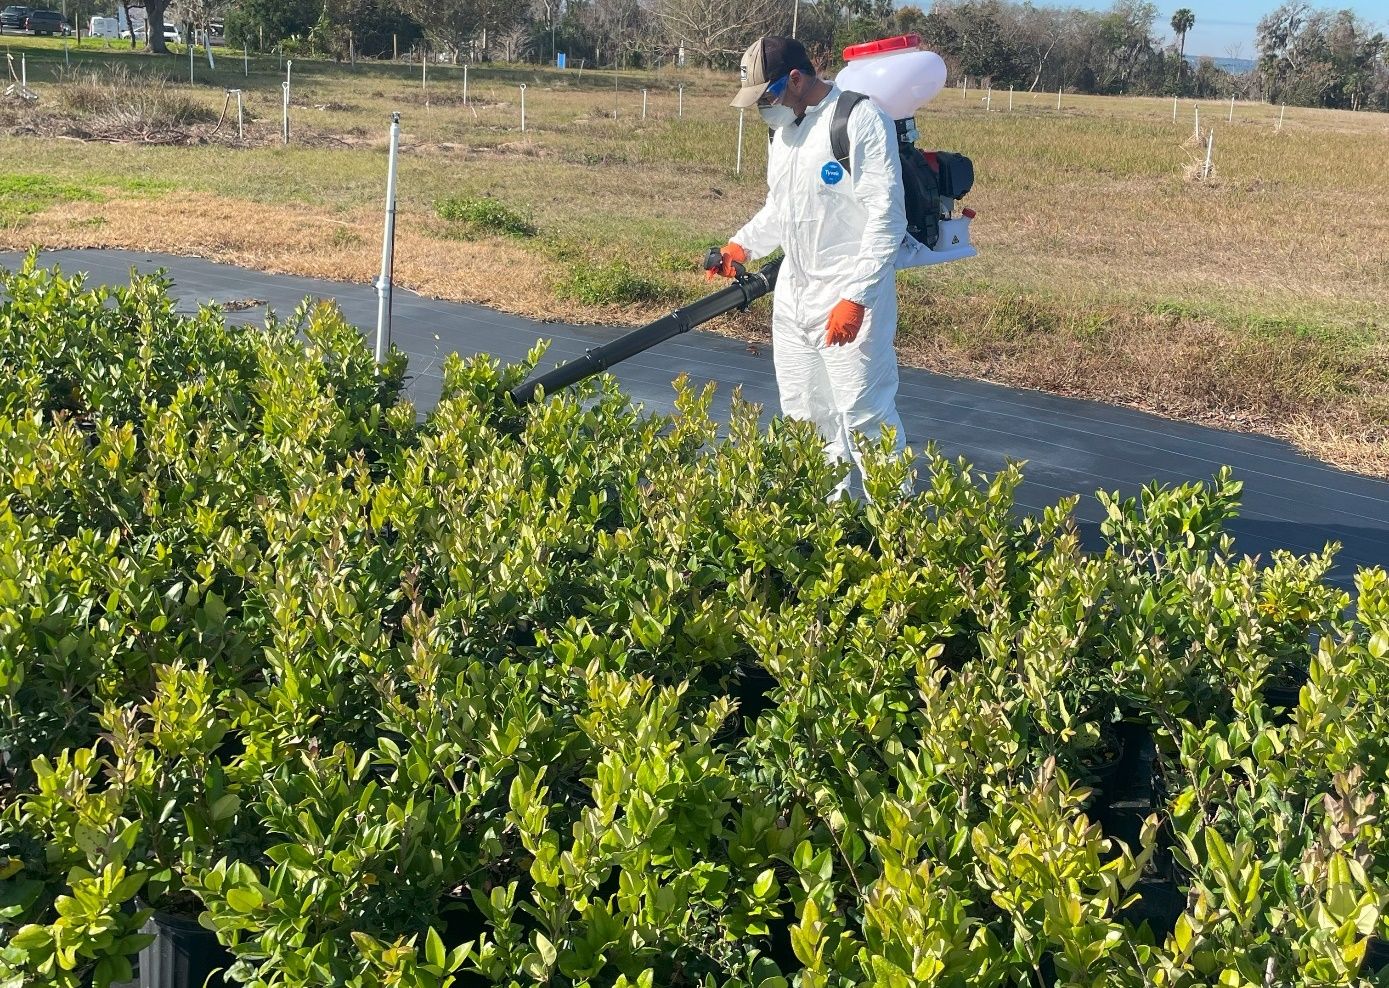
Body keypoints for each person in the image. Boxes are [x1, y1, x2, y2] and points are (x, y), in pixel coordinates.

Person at [709, 35, 908, 498]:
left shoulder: (858, 118)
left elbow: (886, 218)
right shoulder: (785, 131)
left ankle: (900, 535)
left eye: (768, 96)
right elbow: (782, 208)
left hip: (849, 294)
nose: (764, 108)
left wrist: (856, 298)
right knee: (805, 413)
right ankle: (828, 526)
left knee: (865, 414)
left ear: (795, 79)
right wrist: (742, 245)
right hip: (795, 294)